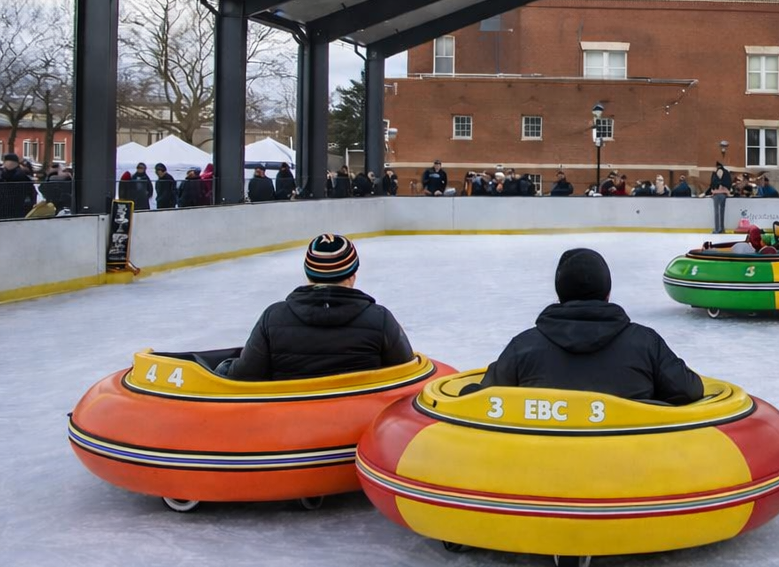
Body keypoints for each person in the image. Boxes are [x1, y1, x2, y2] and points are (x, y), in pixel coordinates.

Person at [468, 248, 703, 405]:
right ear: (608, 294)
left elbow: (481, 400)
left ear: (560, 295)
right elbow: (689, 390)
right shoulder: (646, 343)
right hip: (630, 467)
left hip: (542, 469)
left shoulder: (524, 346)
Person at [219, 233, 414, 381]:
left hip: (289, 425)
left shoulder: (273, 318)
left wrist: (224, 366)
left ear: (308, 275)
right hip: (358, 422)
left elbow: (243, 377)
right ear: (352, 275)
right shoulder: (379, 319)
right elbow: (407, 372)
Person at [0, 152, 37, 220]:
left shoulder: (20, 175)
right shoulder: (4, 173)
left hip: (15, 209)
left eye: (6, 161)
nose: (4, 163)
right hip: (7, 209)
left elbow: (30, 194)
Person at [708, 162, 734, 233]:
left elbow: (715, 184)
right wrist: (727, 192)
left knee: (717, 212)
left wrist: (712, 191)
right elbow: (727, 184)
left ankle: (717, 229)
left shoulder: (717, 173)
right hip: (724, 194)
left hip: (717, 195)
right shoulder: (726, 174)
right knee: (722, 212)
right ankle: (722, 228)